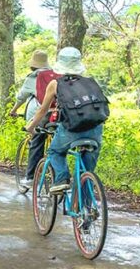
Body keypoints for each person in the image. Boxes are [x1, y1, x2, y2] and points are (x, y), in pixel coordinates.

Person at [25, 46, 107, 194]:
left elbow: (42, 110)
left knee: (54, 151)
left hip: (72, 128)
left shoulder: (55, 84)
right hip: (95, 129)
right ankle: (86, 211)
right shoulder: (91, 81)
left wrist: (31, 127)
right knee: (85, 175)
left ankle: (61, 179)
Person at [9, 50, 53, 187]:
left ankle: (30, 177)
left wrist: (14, 110)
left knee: (36, 141)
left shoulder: (32, 77)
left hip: (39, 114)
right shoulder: (56, 76)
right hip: (57, 114)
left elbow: (21, 97)